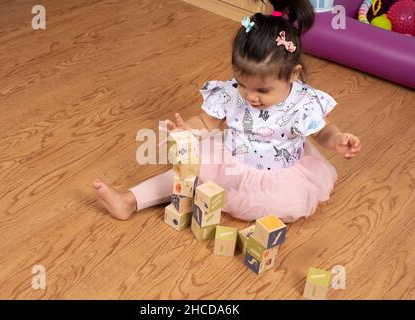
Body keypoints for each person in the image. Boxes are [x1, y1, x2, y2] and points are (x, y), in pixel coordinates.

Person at [92, 0, 362, 223]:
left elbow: (322, 131)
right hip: (227, 158)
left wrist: (337, 139)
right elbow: (207, 122)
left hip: (277, 175)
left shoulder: (302, 102)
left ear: (293, 75)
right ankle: (129, 201)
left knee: (278, 206)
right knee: (185, 174)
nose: (250, 96)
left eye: (263, 91)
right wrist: (189, 130)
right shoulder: (232, 91)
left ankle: (227, 205)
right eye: (242, 84)